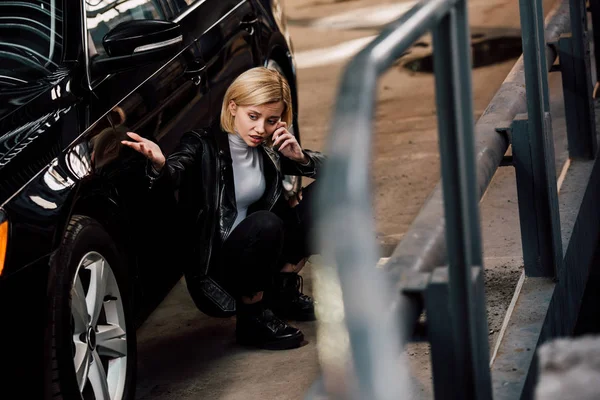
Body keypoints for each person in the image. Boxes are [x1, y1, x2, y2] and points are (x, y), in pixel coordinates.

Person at [121, 67, 325, 350]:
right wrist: (160, 164)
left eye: (271, 120)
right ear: (233, 107)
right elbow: (175, 172)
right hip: (222, 265)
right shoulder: (202, 144)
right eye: (252, 116)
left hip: (264, 249)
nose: (260, 129)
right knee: (265, 222)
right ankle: (251, 318)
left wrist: (300, 158)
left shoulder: (269, 147)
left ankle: (283, 288)